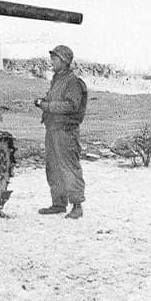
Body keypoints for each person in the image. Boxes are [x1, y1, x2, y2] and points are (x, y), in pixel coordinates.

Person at [34, 44, 88, 219]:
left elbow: (72, 106)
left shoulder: (73, 81)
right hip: (53, 129)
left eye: (55, 59)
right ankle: (58, 204)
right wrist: (43, 101)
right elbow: (55, 100)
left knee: (69, 167)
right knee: (53, 167)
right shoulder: (57, 79)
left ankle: (77, 206)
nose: (52, 62)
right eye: (52, 58)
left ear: (64, 61)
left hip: (66, 131)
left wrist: (47, 106)